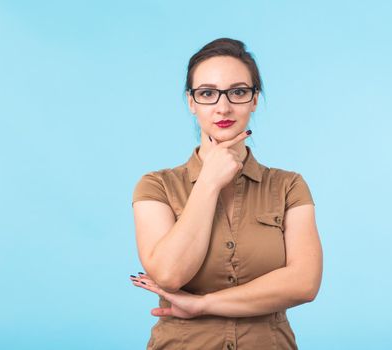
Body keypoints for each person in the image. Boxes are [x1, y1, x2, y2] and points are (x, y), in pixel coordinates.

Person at [129, 38, 323, 350]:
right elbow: (168, 274)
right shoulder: (156, 186)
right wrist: (208, 182)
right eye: (207, 93)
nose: (223, 107)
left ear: (254, 99)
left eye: (238, 92)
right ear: (191, 102)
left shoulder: (289, 186)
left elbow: (304, 283)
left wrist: (203, 304)